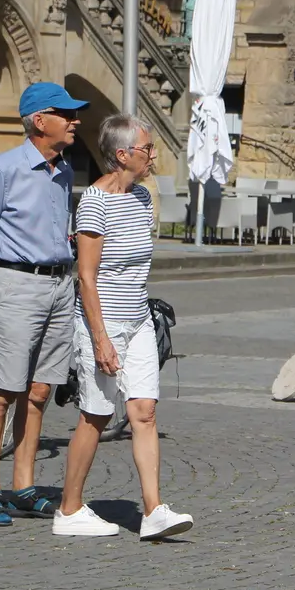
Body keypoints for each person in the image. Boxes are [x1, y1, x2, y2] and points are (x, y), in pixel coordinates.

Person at [53, 115, 194, 539]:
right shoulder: (94, 203)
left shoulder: (140, 198)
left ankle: (153, 510)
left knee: (144, 412)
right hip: (103, 322)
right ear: (122, 154)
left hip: (138, 320)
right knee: (95, 415)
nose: (153, 155)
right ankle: (69, 508)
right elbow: (87, 277)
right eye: (146, 149)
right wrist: (99, 339)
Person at [0, 82, 87, 528]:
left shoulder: (65, 171)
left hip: (58, 286)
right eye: (66, 113)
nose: (75, 121)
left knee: (39, 390)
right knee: (3, 390)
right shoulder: (3, 169)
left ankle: (24, 486)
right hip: (15, 284)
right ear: (40, 120)